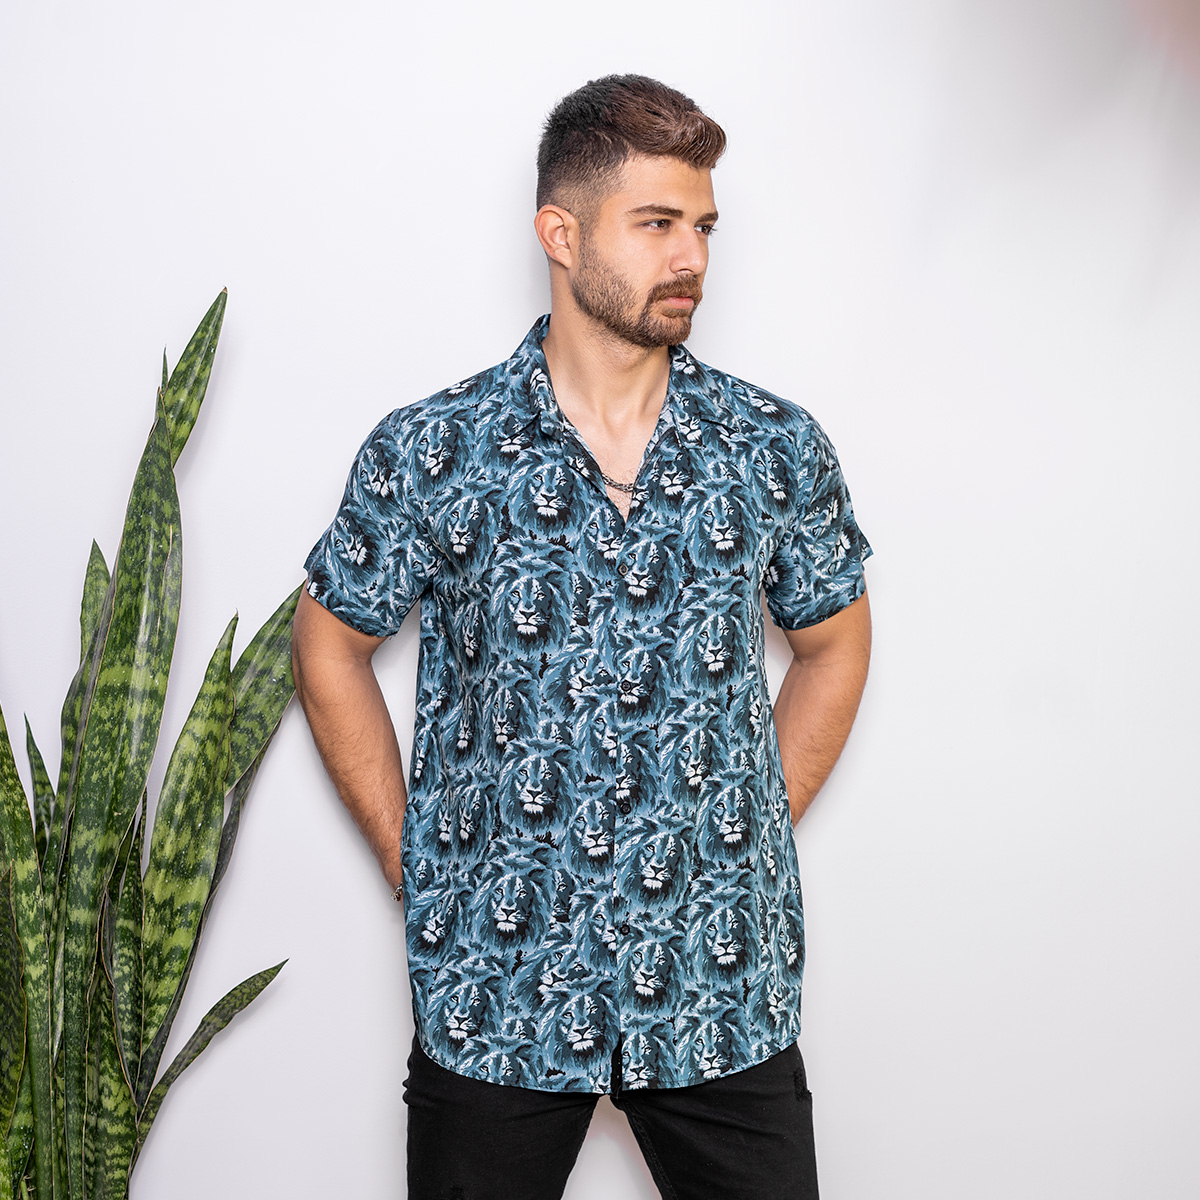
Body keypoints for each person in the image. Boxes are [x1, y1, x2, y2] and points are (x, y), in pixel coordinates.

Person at [293, 74, 873, 1200]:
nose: (692, 257)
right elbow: (329, 646)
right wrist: (419, 861)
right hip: (496, 992)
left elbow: (834, 645)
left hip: (718, 993)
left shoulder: (773, 448)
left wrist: (743, 827)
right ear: (561, 235)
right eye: (656, 224)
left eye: (704, 226)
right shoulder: (434, 450)